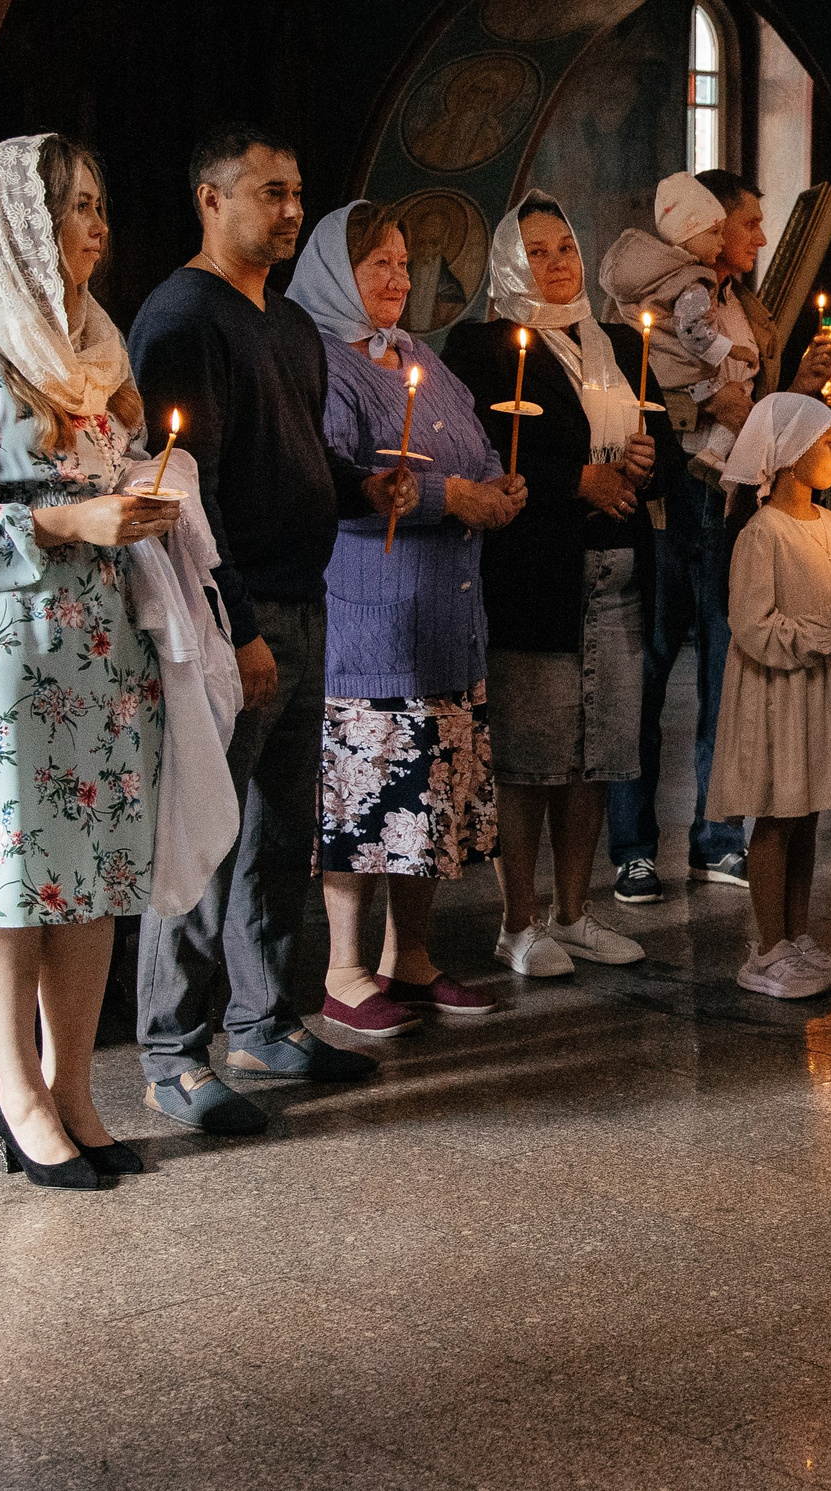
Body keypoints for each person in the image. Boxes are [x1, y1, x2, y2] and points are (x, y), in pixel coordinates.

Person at [129, 125, 418, 1135]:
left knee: (277, 834)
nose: (289, 210)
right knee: (204, 835)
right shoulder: (180, 320)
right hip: (230, 619)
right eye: (267, 193)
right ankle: (173, 1053)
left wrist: (358, 485)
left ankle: (263, 1018)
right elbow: (184, 496)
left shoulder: (290, 328)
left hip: (308, 602)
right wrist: (238, 627)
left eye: (296, 192)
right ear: (209, 200)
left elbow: (291, 453)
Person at [0, 133, 175, 1188]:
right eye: (75, 207)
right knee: (8, 879)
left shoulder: (97, 349)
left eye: (102, 205)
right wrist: (69, 522)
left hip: (101, 651)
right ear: (20, 223)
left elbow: (109, 476)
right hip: (7, 653)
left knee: (92, 874)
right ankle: (16, 1096)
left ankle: (74, 1089)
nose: (98, 226)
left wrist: (142, 503)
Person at [290, 200, 521, 1038]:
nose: (397, 278)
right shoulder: (318, 362)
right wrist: (443, 495)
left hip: (447, 621)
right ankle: (345, 968)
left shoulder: (418, 354)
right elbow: (335, 478)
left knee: (427, 797)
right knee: (368, 799)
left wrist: (498, 486)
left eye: (403, 262)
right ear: (334, 273)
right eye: (376, 264)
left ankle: (409, 954)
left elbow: (475, 444)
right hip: (371, 622)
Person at [605, 170, 831, 903]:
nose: (761, 238)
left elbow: (753, 409)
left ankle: (715, 838)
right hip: (672, 502)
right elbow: (639, 383)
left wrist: (792, 381)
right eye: (749, 225)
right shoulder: (659, 297)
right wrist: (709, 401)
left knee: (724, 679)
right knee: (645, 674)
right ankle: (634, 848)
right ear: (705, 230)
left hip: (730, 507)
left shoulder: (745, 305)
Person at [444, 193, 660, 977]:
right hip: (534, 576)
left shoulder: (609, 342)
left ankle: (574, 911)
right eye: (537, 251)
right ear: (507, 261)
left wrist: (639, 462)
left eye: (565, 246)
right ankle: (518, 920)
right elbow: (480, 451)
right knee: (531, 758)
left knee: (596, 753)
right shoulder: (484, 347)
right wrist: (581, 478)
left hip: (616, 576)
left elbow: (654, 435)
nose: (558, 262)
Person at [707, 394, 831, 998]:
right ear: (788, 456)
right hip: (778, 692)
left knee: (806, 814)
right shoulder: (762, 533)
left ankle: (797, 934)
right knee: (778, 816)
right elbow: (753, 624)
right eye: (829, 443)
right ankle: (767, 946)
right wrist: (823, 639)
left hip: (815, 689)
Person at [599, 173, 754, 475]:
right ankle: (713, 456)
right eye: (716, 232)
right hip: (676, 445)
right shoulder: (692, 280)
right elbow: (692, 331)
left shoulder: (741, 301)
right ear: (689, 233)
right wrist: (730, 352)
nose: (720, 242)